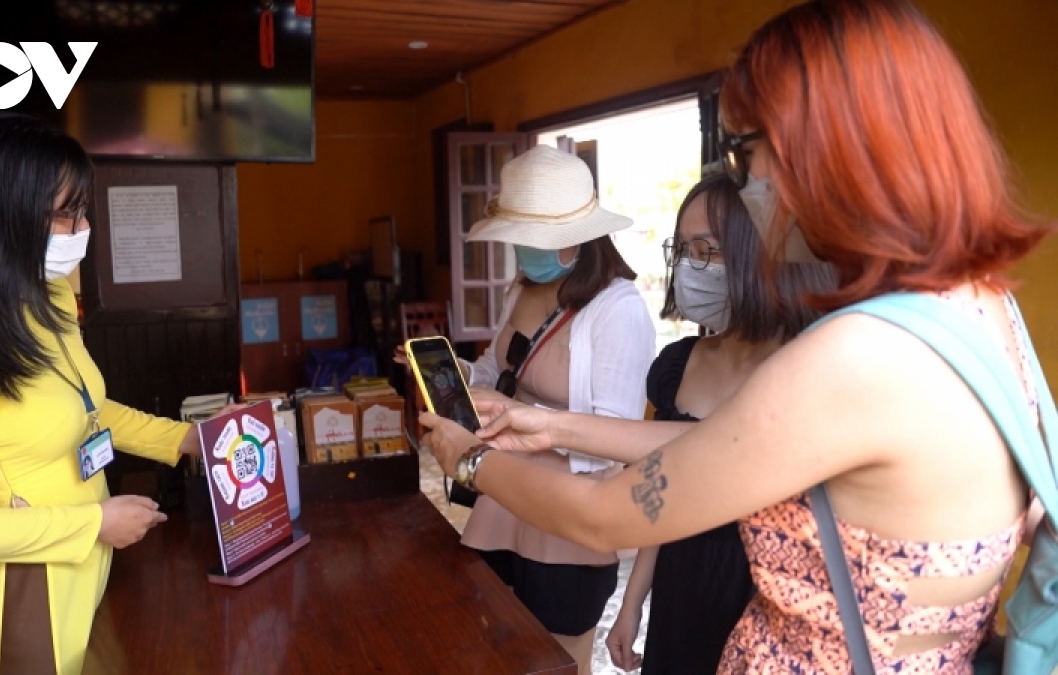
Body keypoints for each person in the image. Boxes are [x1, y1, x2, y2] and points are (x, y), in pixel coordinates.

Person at [422, 1, 1052, 672]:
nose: (746, 182)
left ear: (823, 149)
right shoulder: (982, 309)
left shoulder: (859, 356)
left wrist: (470, 460)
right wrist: (552, 427)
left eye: (744, 151)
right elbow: (728, 446)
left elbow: (604, 512)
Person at [0, 113, 238, 675]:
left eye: (82, 210)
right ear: (0, 217)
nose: (82, 228)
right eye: (66, 213)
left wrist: (191, 440)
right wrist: (94, 524)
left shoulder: (49, 301)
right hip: (16, 606)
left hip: (80, 577)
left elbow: (86, 410)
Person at [606, 173, 835, 674]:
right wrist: (632, 603)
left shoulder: (807, 370)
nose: (691, 266)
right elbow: (662, 496)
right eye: (684, 249)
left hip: (764, 603)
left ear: (759, 255)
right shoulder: (677, 366)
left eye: (706, 250)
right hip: (679, 591)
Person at [453, 144, 656, 675]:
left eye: (536, 238)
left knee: (558, 660)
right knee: (495, 646)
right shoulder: (521, 288)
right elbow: (497, 370)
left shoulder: (617, 309)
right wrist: (457, 376)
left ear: (581, 237)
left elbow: (617, 434)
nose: (524, 251)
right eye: (519, 238)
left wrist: (526, 417)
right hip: (506, 492)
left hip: (567, 508)